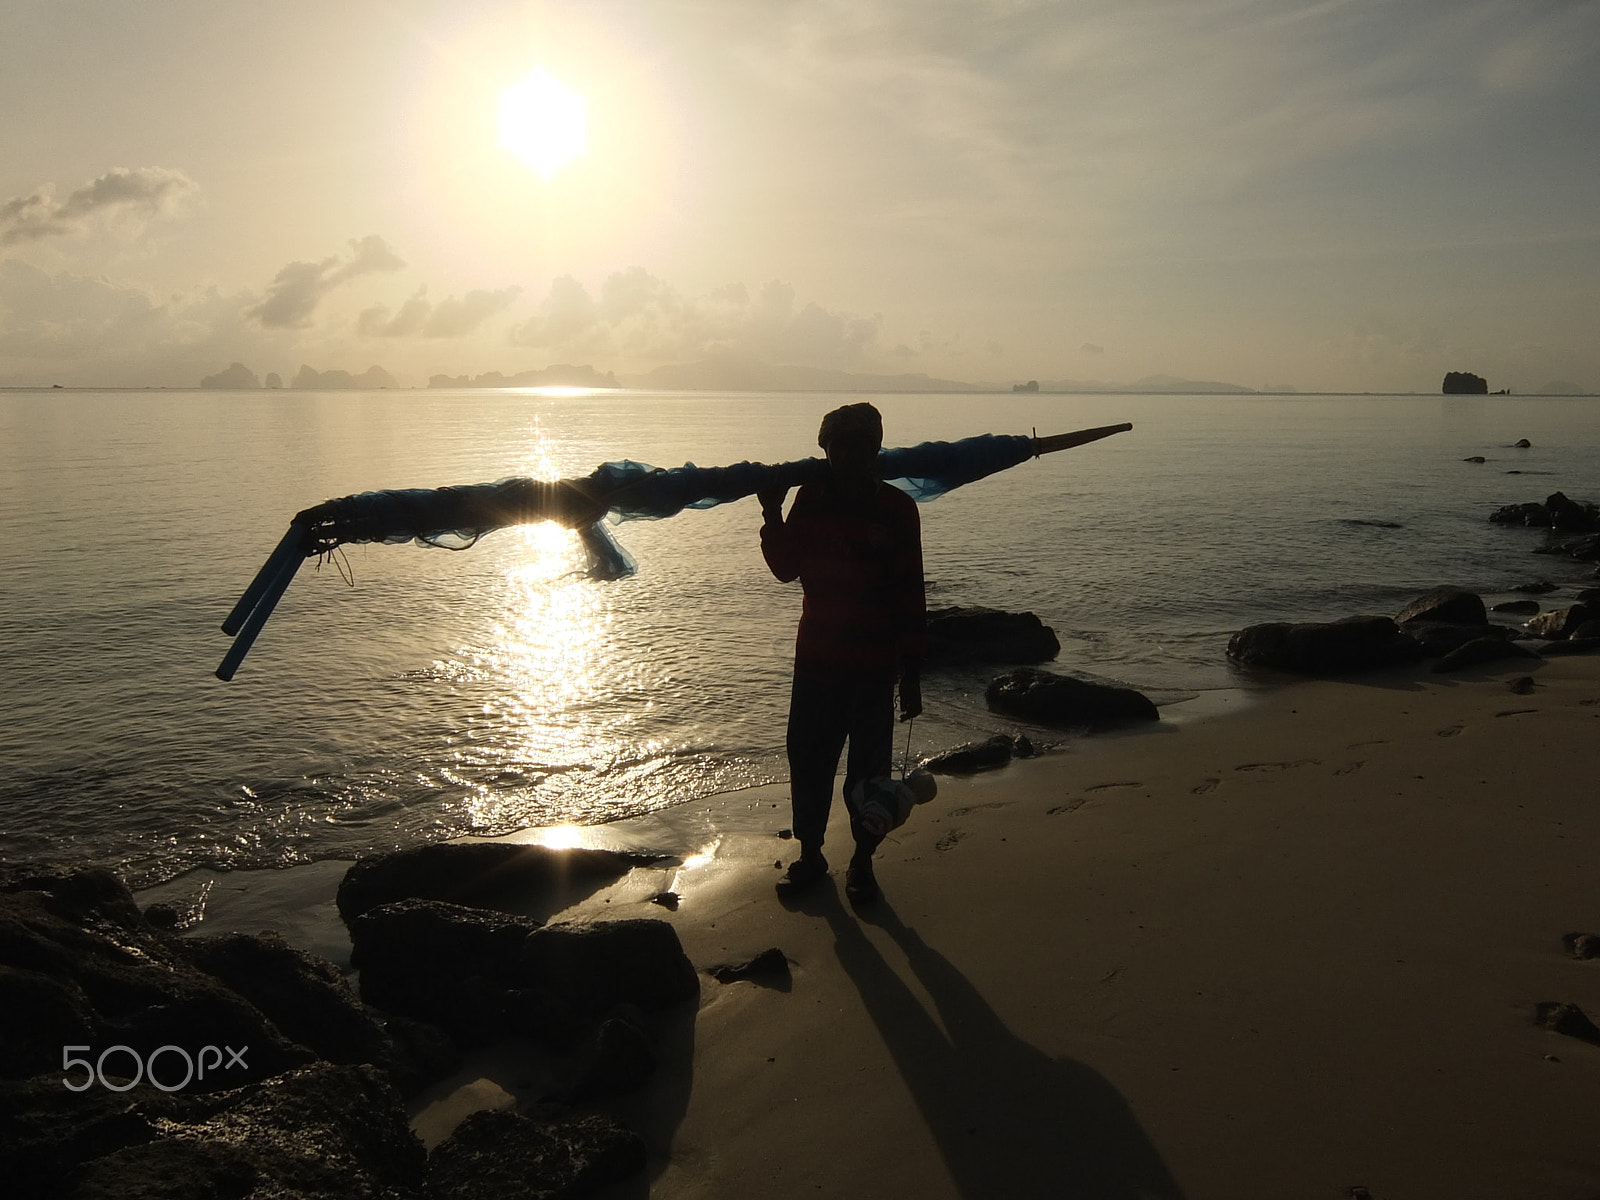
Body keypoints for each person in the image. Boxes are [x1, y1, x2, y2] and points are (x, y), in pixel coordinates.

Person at [758, 402, 925, 903]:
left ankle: (862, 863)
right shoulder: (811, 499)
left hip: (874, 669)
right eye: (838, 446)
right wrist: (771, 511)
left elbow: (909, 592)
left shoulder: (896, 509)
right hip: (816, 664)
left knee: (869, 772)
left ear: (877, 449)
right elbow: (786, 567)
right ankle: (811, 855)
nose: (848, 455)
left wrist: (912, 673)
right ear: (825, 449)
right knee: (808, 762)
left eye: (860, 445)